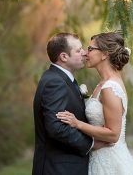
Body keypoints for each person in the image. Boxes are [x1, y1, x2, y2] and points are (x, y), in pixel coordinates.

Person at [56, 32, 133, 175]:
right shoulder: (102, 84)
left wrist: (77, 123)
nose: (85, 53)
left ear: (104, 54)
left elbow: (113, 134)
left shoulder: (110, 87)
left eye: (90, 49)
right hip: (98, 158)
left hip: (111, 162)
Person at [32, 33, 96, 175]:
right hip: (58, 169)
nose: (84, 53)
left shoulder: (59, 79)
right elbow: (56, 128)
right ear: (64, 57)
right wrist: (90, 144)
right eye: (79, 50)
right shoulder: (55, 82)